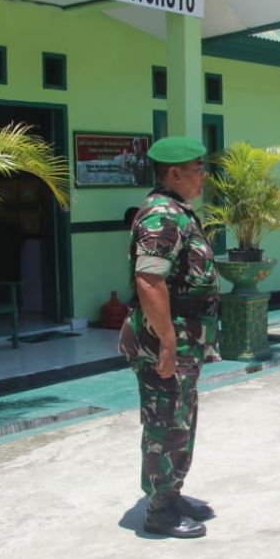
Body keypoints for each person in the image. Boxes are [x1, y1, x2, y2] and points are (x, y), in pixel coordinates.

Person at [118, 136, 221, 538]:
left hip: (183, 336)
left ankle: (170, 492)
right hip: (166, 338)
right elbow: (149, 282)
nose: (203, 176)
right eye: (198, 169)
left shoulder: (178, 211)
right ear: (174, 173)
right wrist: (166, 342)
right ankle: (159, 512)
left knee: (179, 417)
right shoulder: (162, 215)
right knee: (165, 423)